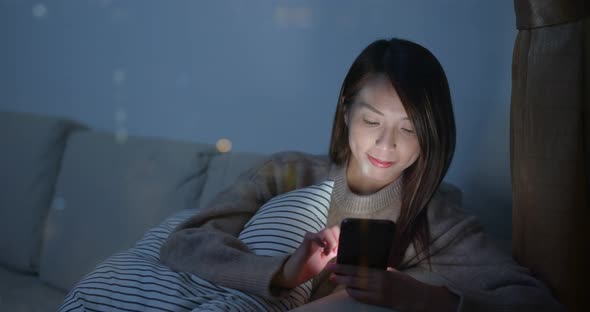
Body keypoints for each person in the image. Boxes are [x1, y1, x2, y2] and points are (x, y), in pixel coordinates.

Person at [160, 38, 564, 311]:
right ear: (346, 111)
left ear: (432, 134)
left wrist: (426, 298)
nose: (387, 145)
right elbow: (184, 244)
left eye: (409, 129)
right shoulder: (288, 172)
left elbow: (536, 301)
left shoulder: (436, 222)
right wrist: (283, 272)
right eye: (372, 121)